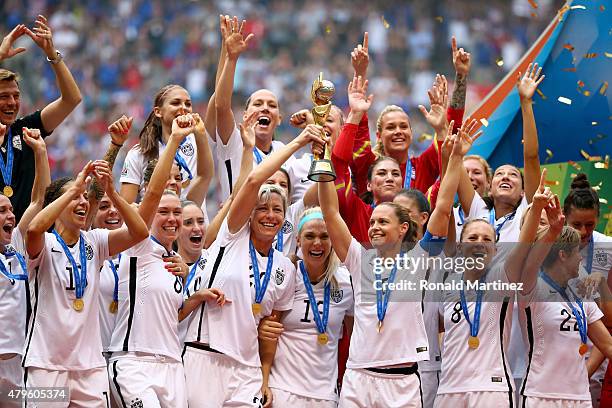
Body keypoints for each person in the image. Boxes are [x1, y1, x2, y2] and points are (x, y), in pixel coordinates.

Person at [318, 125, 464, 407]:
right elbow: (330, 212)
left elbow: (443, 208)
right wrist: (322, 160)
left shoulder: (420, 259)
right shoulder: (359, 258)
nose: (374, 227)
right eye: (372, 222)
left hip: (403, 381)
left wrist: (455, 159)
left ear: (403, 228)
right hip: (358, 377)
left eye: (383, 222)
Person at [183, 123, 325, 407]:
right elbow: (251, 183)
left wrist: (264, 376)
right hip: (206, 356)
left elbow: (271, 328)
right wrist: (297, 143)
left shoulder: (285, 268)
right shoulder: (231, 236)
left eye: (277, 209)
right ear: (249, 215)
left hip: (247, 368)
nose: (270, 215)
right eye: (262, 208)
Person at [109, 114, 223, 407]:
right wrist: (173, 139)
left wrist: (195, 297)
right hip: (135, 363)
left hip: (172, 365)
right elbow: (156, 191)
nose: (172, 219)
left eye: (177, 214)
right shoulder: (139, 241)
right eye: (163, 213)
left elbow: (169, 316)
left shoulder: (174, 260)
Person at [23, 154, 147, 406]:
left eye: (83, 197)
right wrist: (75, 189)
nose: (82, 202)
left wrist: (112, 191)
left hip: (90, 367)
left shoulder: (95, 241)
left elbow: (140, 232)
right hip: (46, 364)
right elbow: (34, 228)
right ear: (57, 205)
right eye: (74, 197)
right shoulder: (44, 243)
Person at [518, 200, 612, 407]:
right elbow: (531, 260)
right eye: (577, 252)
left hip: (579, 397)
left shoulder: (581, 294)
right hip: (540, 396)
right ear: (562, 255)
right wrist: (552, 229)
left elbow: (608, 345)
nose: (580, 258)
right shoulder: (531, 288)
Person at [258, 208, 355, 407]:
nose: (317, 243)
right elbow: (268, 334)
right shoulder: (287, 274)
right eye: (310, 236)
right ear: (298, 240)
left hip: (325, 394)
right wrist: (264, 382)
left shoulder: (347, 282)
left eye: (324, 236)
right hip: (282, 389)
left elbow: (356, 337)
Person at [0, 17, 82, 221]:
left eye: (16, 96)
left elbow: (72, 99)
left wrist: (52, 54)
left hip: (29, 238)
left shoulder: (27, 129)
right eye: (3, 97)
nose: (12, 102)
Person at [0, 127, 48, 406]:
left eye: (10, 209)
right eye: (2, 211)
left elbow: (38, 200)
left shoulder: (17, 245)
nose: (11, 214)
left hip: (18, 363)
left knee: (53, 398)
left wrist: (40, 152)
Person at [119, 83, 213, 209]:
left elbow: (205, 177)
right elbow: (126, 206)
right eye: (175, 103)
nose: (183, 108)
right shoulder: (139, 153)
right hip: (155, 224)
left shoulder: (199, 141)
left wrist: (201, 134)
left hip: (192, 224)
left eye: (188, 104)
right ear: (158, 112)